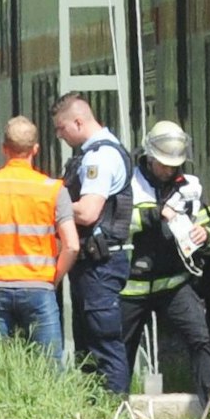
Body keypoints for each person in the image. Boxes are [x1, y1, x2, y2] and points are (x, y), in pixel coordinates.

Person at [120, 121, 210, 415]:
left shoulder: (191, 186)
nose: (169, 171)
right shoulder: (128, 183)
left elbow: (208, 223)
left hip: (173, 284)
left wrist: (204, 235)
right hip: (131, 286)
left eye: (174, 165)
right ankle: (111, 412)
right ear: (149, 156)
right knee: (121, 351)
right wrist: (156, 215)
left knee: (201, 339)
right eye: (163, 165)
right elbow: (120, 223)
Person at [0, 117, 77, 359]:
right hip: (39, 290)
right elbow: (71, 245)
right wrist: (54, 279)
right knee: (49, 369)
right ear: (36, 149)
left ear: (4, 148)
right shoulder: (53, 189)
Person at [54, 94, 136, 394]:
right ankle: (95, 413)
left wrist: (50, 202)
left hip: (100, 266)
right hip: (94, 265)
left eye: (62, 128)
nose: (59, 135)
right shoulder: (93, 153)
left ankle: (113, 412)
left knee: (102, 344)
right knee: (89, 346)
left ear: (78, 121)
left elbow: (88, 212)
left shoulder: (99, 157)